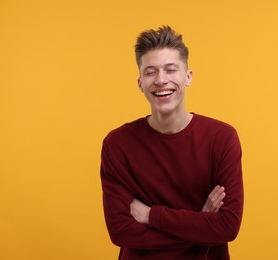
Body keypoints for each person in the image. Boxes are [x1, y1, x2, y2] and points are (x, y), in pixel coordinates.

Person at [100, 25, 244, 259]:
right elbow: (121, 232)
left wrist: (150, 216)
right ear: (140, 83)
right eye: (150, 72)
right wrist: (201, 222)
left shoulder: (222, 138)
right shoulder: (118, 144)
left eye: (170, 69)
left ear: (188, 77)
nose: (161, 80)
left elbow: (227, 226)